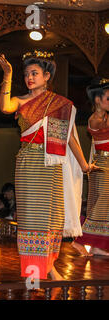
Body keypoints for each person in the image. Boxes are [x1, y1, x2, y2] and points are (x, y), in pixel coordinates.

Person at [0, 50, 97, 281]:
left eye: (35, 73)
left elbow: (69, 137)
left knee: (52, 218)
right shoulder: (20, 100)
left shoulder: (60, 104)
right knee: (33, 219)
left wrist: (83, 165)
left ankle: (48, 266)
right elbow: (4, 107)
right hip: (29, 164)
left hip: (52, 165)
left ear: (47, 76)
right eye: (27, 74)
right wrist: (8, 75)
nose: (30, 78)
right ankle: (34, 273)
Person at [72, 78, 109, 257]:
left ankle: (97, 246)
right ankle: (78, 241)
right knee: (100, 205)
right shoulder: (95, 119)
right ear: (97, 100)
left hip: (105, 164)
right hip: (102, 165)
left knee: (103, 206)